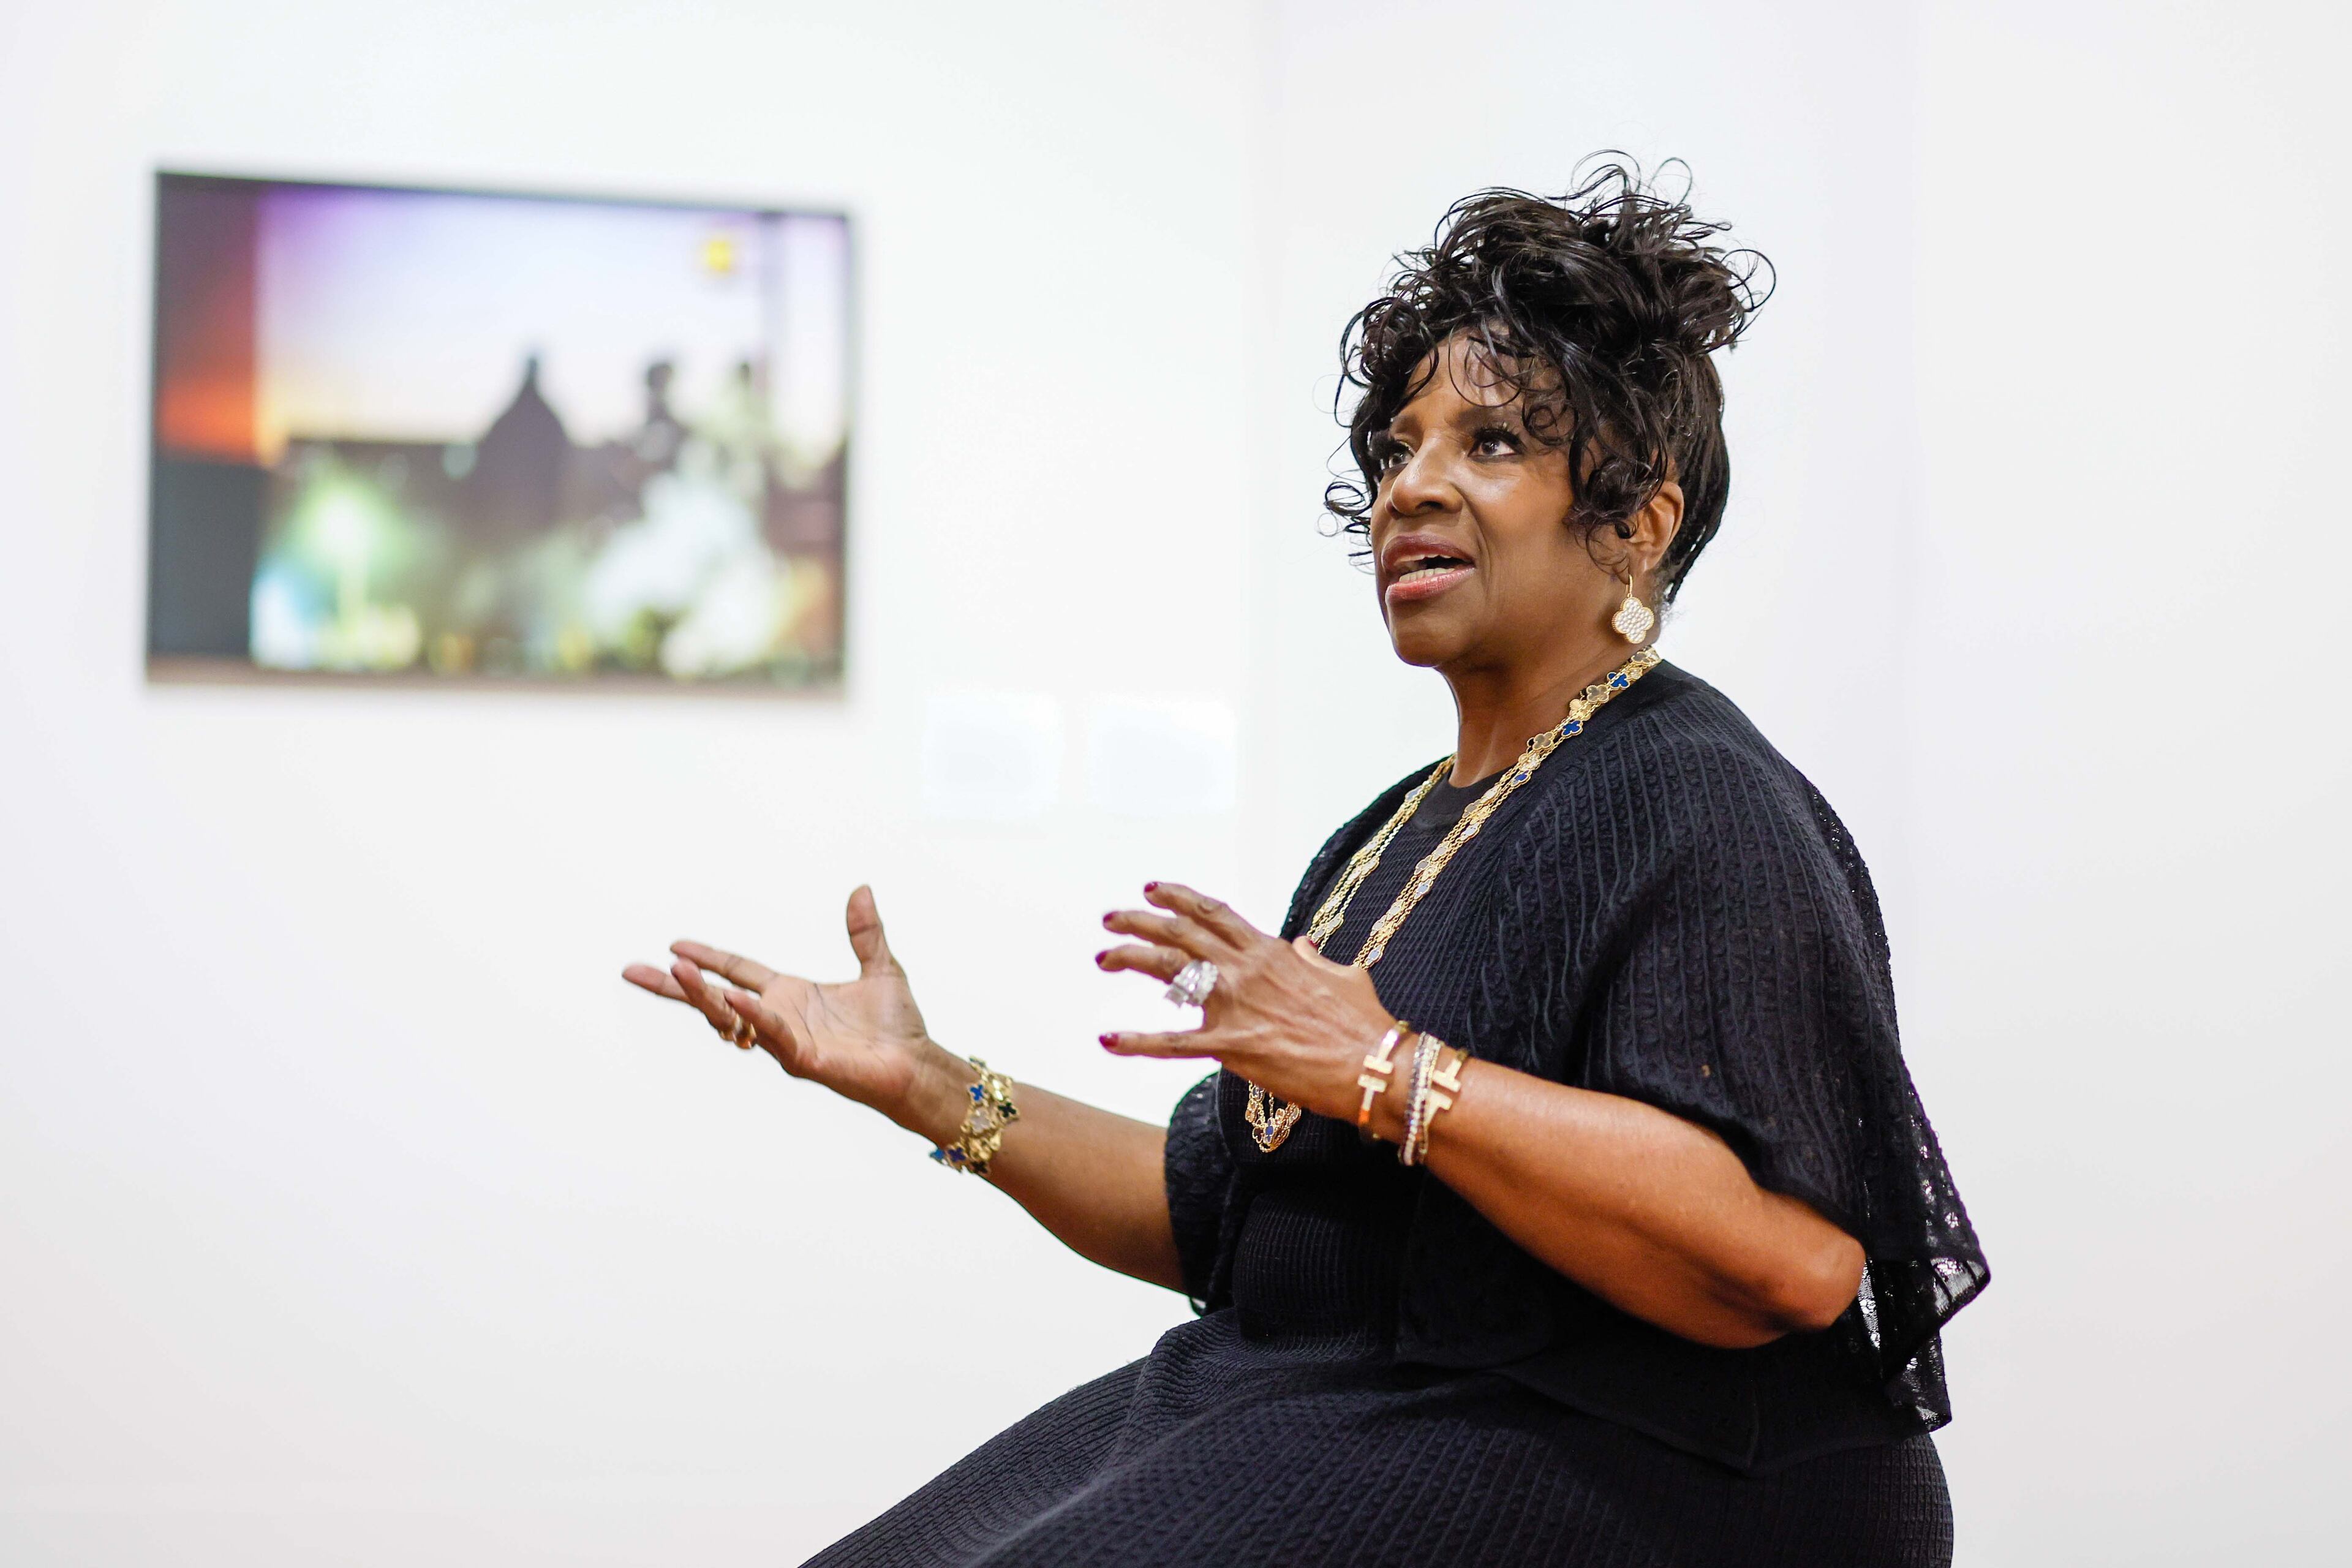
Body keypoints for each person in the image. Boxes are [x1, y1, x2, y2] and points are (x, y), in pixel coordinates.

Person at [624, 164, 1986, 1567]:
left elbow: (1791, 1257)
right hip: (1316, 1395)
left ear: (1638, 522)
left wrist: (1392, 1070)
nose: (1412, 488)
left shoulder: (1698, 797)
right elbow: (1218, 1217)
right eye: (1398, 448)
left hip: (1634, 1461)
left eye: (1492, 442)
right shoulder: (1393, 831)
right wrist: (926, 1080)